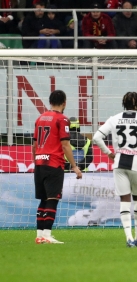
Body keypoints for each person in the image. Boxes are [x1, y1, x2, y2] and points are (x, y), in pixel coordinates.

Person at [92, 92, 137, 247]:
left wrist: (109, 153)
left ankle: (129, 238)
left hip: (119, 164)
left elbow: (96, 137)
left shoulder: (114, 119)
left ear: (124, 104)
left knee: (124, 200)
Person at [33, 90, 83, 244]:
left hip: (39, 163)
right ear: (64, 102)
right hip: (53, 163)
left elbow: (34, 145)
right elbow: (65, 144)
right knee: (53, 199)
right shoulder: (62, 119)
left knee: (43, 200)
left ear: (50, 102)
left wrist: (36, 161)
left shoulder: (40, 118)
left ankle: (40, 235)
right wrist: (74, 166)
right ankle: (47, 235)